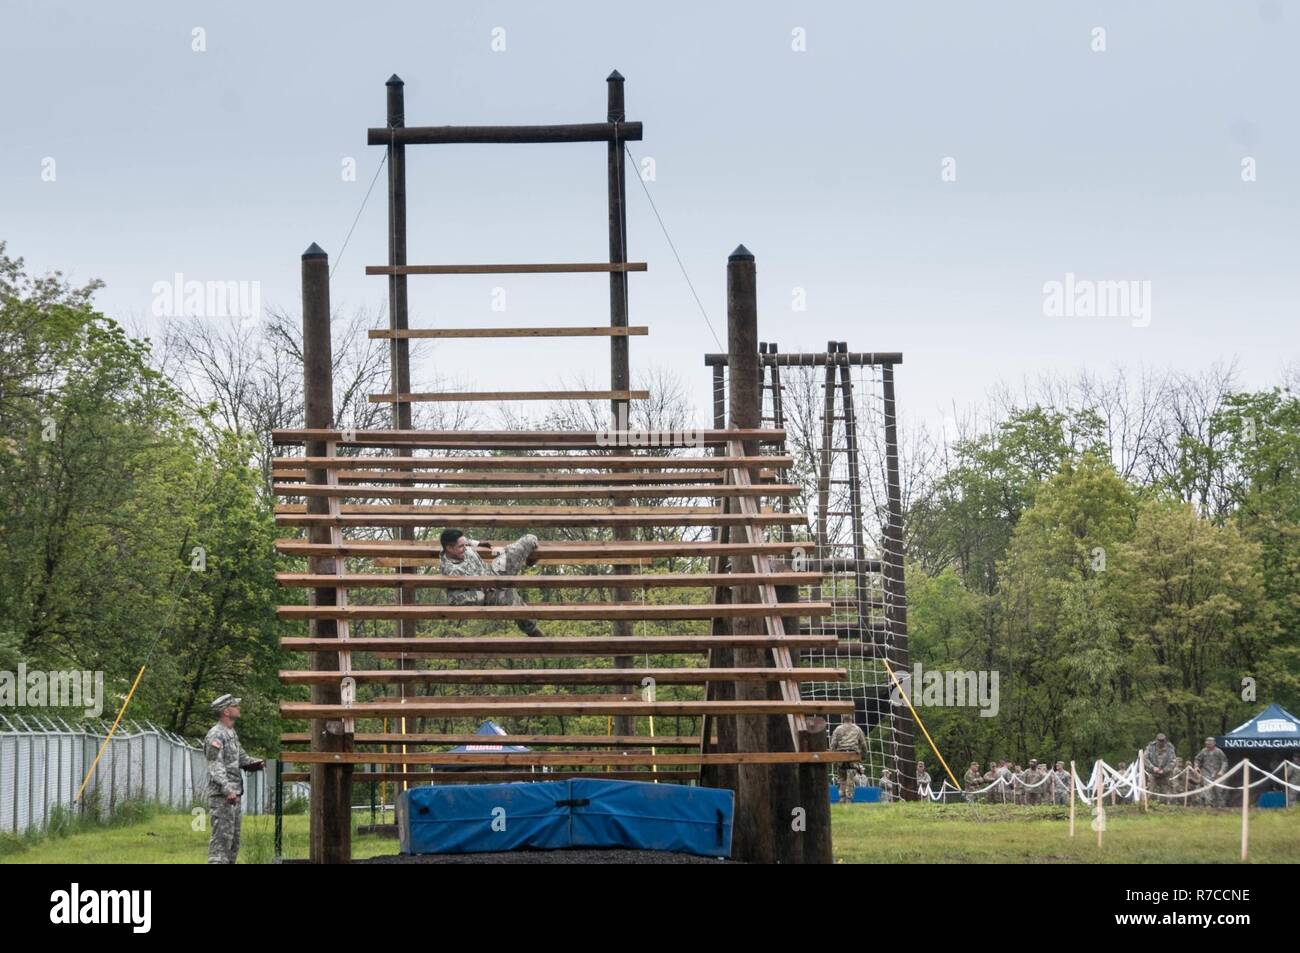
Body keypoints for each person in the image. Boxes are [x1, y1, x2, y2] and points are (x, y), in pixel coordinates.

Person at [439, 529, 544, 637]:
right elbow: (463, 598)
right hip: (485, 593)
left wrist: (479, 543)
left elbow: (467, 540)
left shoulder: (456, 544)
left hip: (491, 572)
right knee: (509, 595)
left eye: (464, 544)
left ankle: (529, 561)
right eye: (461, 546)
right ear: (449, 548)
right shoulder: (451, 570)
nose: (465, 548)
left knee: (529, 540)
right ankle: (533, 631)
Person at [204, 693, 263, 865]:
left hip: (233, 795)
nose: (239, 708)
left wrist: (260, 763)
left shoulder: (231, 733)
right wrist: (227, 789)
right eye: (235, 706)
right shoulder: (215, 734)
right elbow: (215, 765)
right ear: (226, 711)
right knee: (221, 842)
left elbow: (242, 759)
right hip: (223, 796)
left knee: (233, 842)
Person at [829, 713, 869, 803]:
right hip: (853, 757)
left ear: (842, 719)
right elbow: (863, 744)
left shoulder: (838, 729)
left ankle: (842, 798)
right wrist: (863, 756)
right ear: (852, 719)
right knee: (850, 779)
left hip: (841, 757)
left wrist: (833, 757)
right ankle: (849, 798)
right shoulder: (857, 729)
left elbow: (833, 744)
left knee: (842, 779)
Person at [1193, 736, 1228, 808]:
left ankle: (1220, 805)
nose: (1208, 744)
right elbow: (1197, 759)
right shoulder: (1203, 751)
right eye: (1207, 743)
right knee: (1207, 788)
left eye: (1210, 743)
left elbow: (1224, 762)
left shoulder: (1219, 751)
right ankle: (1208, 804)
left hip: (1217, 773)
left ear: (1214, 743)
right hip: (1206, 772)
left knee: (1219, 790)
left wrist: (1222, 771)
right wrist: (1196, 767)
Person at [1143, 733, 1176, 799]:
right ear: (1156, 740)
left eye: (1162, 741)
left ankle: (1170, 807)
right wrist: (1152, 767)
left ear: (1165, 740)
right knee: (1150, 793)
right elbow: (1145, 758)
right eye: (1159, 740)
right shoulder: (1151, 747)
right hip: (1153, 773)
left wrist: (1164, 770)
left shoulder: (1170, 748)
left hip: (1166, 774)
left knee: (1168, 795)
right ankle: (1149, 806)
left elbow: (1173, 761)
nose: (1161, 742)